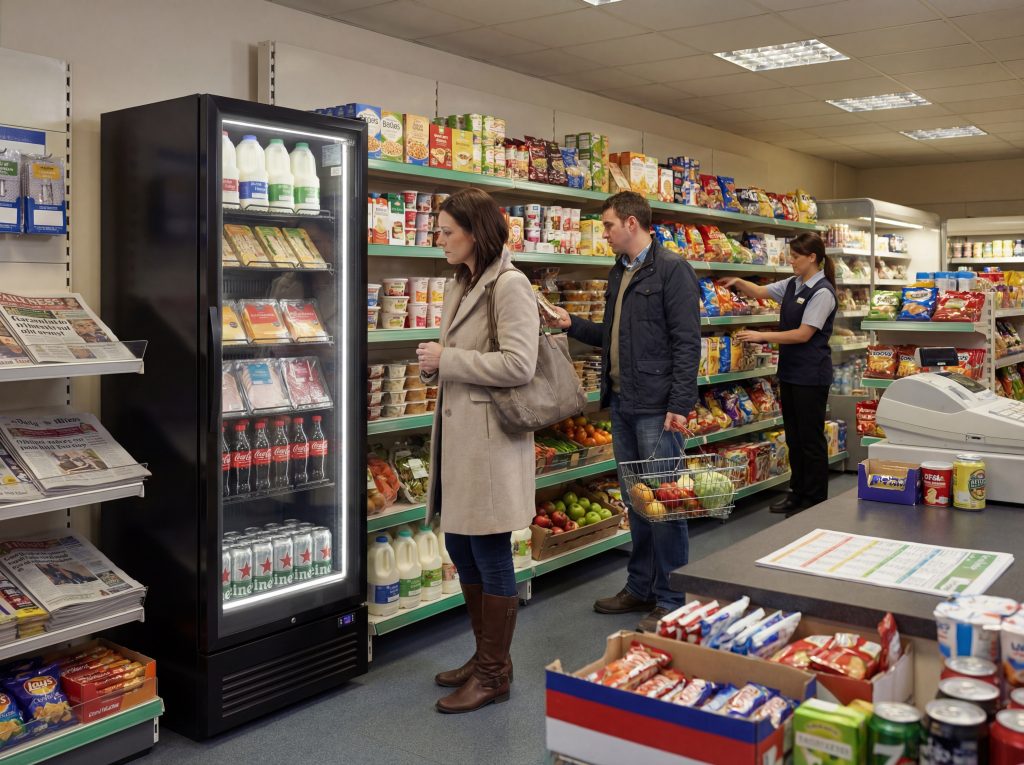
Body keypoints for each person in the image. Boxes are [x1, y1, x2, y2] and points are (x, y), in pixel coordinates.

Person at [542, 191, 700, 633]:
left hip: (657, 407)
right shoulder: (619, 272)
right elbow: (611, 334)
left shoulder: (673, 271)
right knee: (638, 503)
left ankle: (671, 599)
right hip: (625, 403)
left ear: (632, 224)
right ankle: (640, 587)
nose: (604, 233)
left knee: (665, 506)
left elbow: (688, 342)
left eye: (608, 225)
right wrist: (571, 323)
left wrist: (680, 406)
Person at [416, 188, 539, 714]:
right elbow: (457, 358)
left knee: (489, 553)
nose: (439, 239)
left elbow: (519, 365)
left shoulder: (510, 286)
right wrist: (432, 364)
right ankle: (484, 655)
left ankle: (494, 674)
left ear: (476, 232)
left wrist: (450, 359)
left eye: (447, 231)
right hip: (462, 440)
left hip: (490, 445)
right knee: (462, 547)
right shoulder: (460, 284)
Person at [724, 232, 837, 514]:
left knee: (810, 439)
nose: (791, 261)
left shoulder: (822, 292)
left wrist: (763, 336)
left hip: (812, 375)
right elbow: (761, 292)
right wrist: (738, 282)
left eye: (796, 257)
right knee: (793, 437)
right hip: (789, 373)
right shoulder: (793, 284)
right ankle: (797, 493)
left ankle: (815, 498)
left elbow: (803, 334)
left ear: (812, 258)